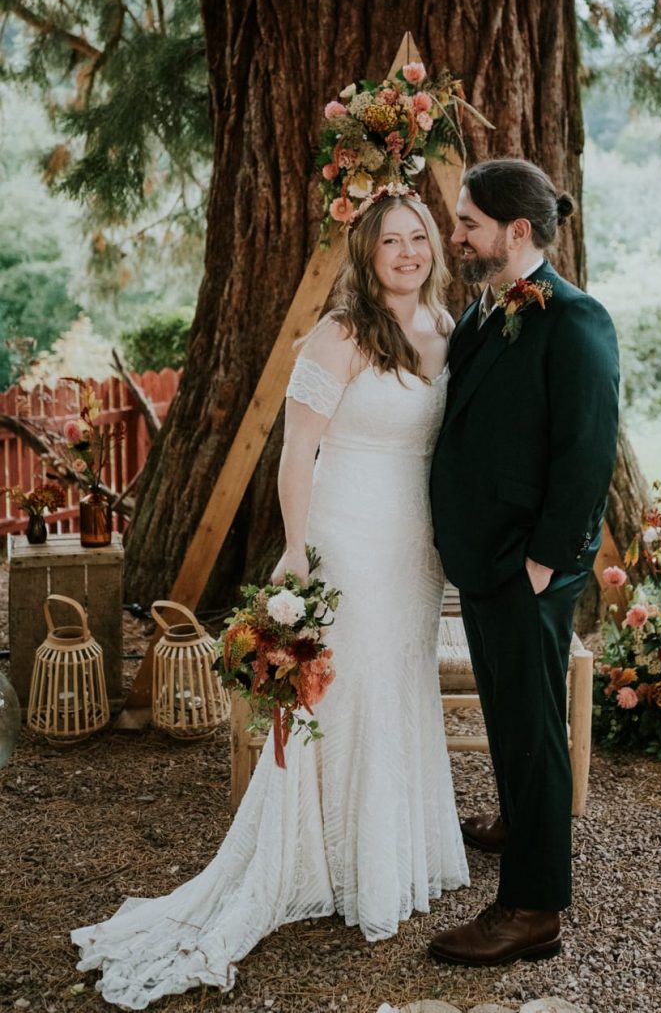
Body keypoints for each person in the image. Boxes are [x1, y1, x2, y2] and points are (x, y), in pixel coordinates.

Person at [71, 184, 468, 1009]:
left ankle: (392, 855)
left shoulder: (444, 328)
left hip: (416, 545)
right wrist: (294, 549)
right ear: (367, 251)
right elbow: (296, 450)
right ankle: (327, 861)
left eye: (418, 237)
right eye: (391, 240)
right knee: (345, 690)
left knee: (398, 682)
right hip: (348, 535)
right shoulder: (341, 332)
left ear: (433, 244)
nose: (407, 252)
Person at [429, 157, 620, 966]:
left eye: (468, 222)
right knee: (509, 708)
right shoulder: (484, 308)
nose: (456, 234)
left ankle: (532, 906)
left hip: (528, 567)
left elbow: (586, 453)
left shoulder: (577, 320)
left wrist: (544, 562)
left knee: (535, 727)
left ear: (515, 229)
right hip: (483, 557)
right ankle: (516, 817)